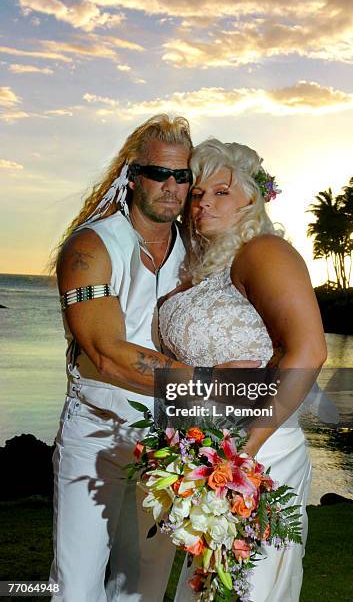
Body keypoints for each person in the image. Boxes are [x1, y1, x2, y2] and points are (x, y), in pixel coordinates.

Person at [50, 116, 257, 602]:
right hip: (97, 432)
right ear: (131, 174)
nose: (171, 186)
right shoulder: (90, 247)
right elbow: (108, 354)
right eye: (157, 173)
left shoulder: (198, 251)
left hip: (168, 440)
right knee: (76, 585)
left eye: (182, 175)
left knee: (142, 582)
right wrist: (208, 383)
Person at [158, 139, 328, 601]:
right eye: (197, 194)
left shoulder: (264, 252)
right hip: (208, 451)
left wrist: (241, 455)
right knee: (209, 586)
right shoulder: (201, 271)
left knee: (247, 588)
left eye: (221, 192)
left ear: (252, 199)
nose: (203, 204)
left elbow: (309, 350)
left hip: (259, 452)